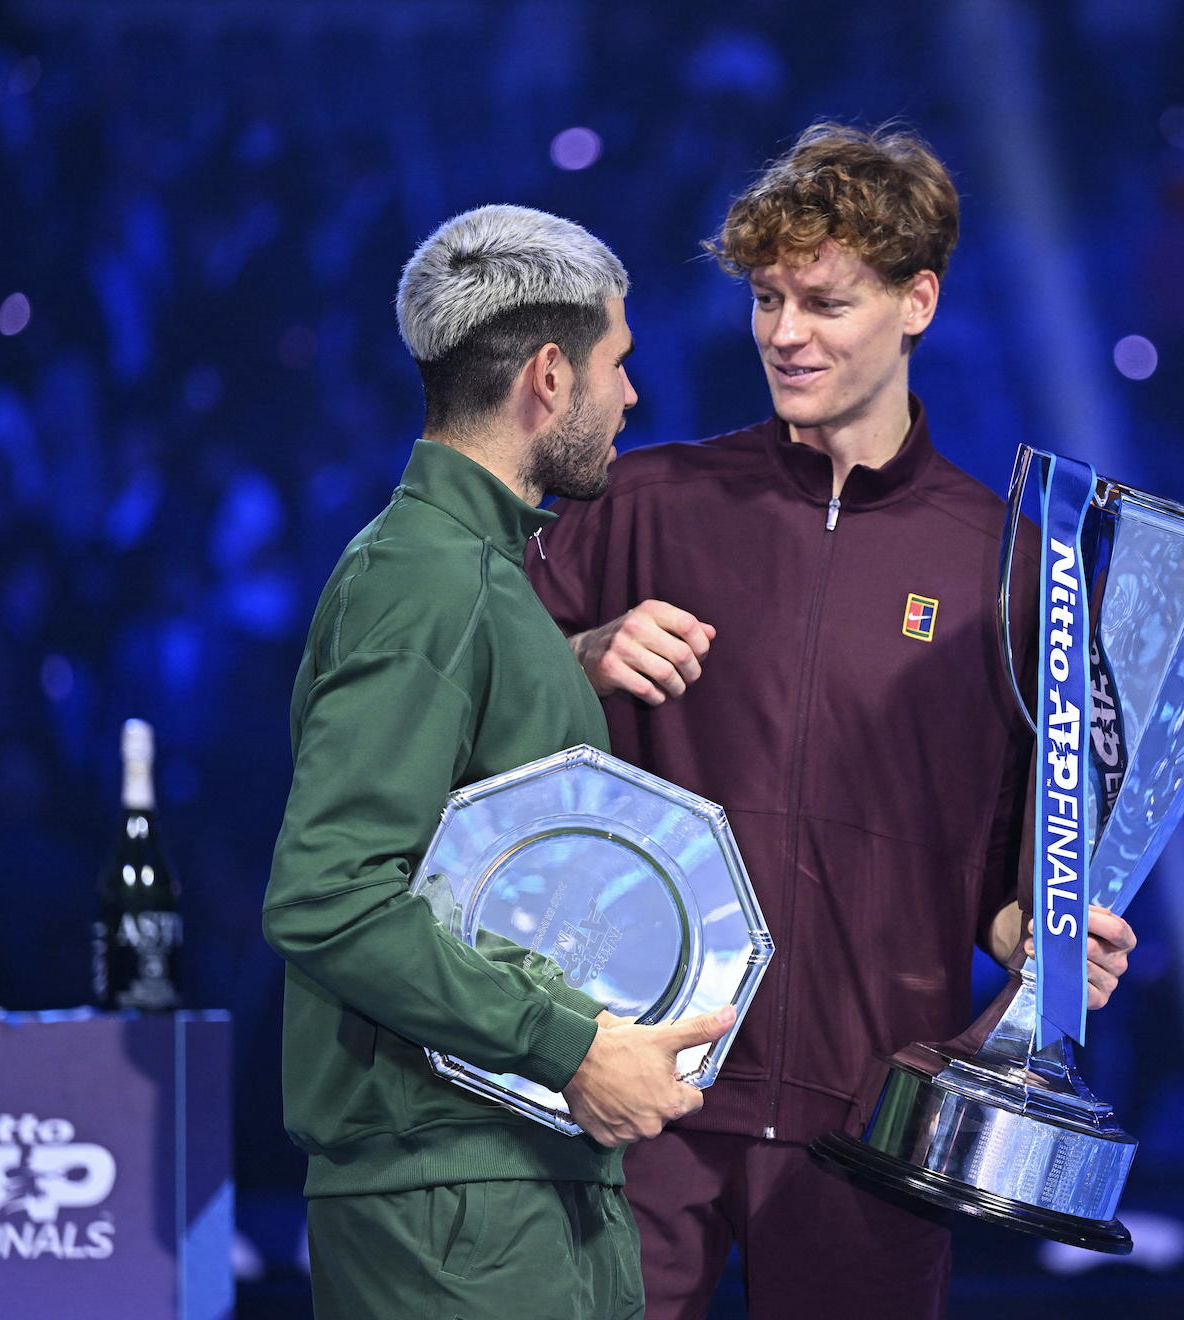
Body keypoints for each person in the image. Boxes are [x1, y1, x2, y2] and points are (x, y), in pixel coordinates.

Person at [529, 123, 1137, 1320]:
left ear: (918, 301)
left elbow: (1027, 844)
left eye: (826, 301)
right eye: (767, 299)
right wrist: (581, 655)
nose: (786, 334)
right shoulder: (646, 505)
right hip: (642, 1091)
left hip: (874, 1118)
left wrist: (1033, 926)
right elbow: (460, 702)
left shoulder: (1011, 567)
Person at [262, 204, 733, 1320]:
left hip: (499, 1183)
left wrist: (565, 665)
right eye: (622, 363)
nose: (635, 397)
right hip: (453, 1202)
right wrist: (569, 1044)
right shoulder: (429, 581)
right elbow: (326, 898)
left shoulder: (471, 577)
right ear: (551, 378)